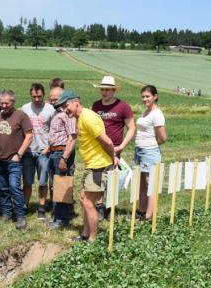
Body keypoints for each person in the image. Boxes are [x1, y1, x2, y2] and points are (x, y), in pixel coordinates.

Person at [61, 90, 118, 243]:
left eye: (66, 105)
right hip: (92, 165)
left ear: (76, 102)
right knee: (83, 199)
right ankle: (85, 234)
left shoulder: (88, 118)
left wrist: (113, 158)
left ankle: (92, 240)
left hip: (99, 166)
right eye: (62, 107)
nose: (64, 110)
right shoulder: (80, 117)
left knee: (88, 202)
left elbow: (107, 141)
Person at [90, 75, 135, 219]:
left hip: (114, 149)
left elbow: (131, 127)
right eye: (102, 89)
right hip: (98, 149)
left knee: (112, 178)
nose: (104, 92)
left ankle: (110, 208)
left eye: (107, 90)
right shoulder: (96, 106)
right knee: (98, 178)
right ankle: (99, 207)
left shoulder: (123, 107)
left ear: (114, 90)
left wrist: (122, 146)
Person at [0, 89, 33, 230]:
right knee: (2, 188)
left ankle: (20, 216)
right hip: (0, 160)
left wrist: (19, 154)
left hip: (14, 160)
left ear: (13, 102)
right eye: (2, 103)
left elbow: (29, 136)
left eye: (7, 103)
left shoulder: (21, 116)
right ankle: (6, 213)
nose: (4, 106)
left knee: (14, 187)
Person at [20, 82, 54, 219]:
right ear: (30, 95)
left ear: (43, 94)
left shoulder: (50, 109)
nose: (37, 99)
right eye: (34, 96)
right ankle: (25, 205)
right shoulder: (25, 108)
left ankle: (41, 207)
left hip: (44, 151)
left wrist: (48, 148)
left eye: (39, 96)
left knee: (43, 182)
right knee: (27, 181)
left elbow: (54, 131)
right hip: (28, 151)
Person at [134, 85, 167, 220]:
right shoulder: (145, 111)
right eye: (143, 97)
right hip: (139, 151)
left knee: (150, 183)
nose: (144, 99)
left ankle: (149, 215)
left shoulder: (157, 114)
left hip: (149, 152)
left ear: (155, 97)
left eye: (147, 96)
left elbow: (162, 138)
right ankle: (141, 211)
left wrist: (151, 145)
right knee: (142, 182)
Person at [46, 90, 77, 229]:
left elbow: (72, 136)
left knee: (62, 185)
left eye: (56, 99)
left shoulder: (68, 114)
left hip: (62, 152)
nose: (53, 101)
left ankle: (62, 219)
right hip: (54, 152)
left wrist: (64, 157)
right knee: (55, 185)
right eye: (51, 99)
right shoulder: (56, 112)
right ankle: (56, 216)